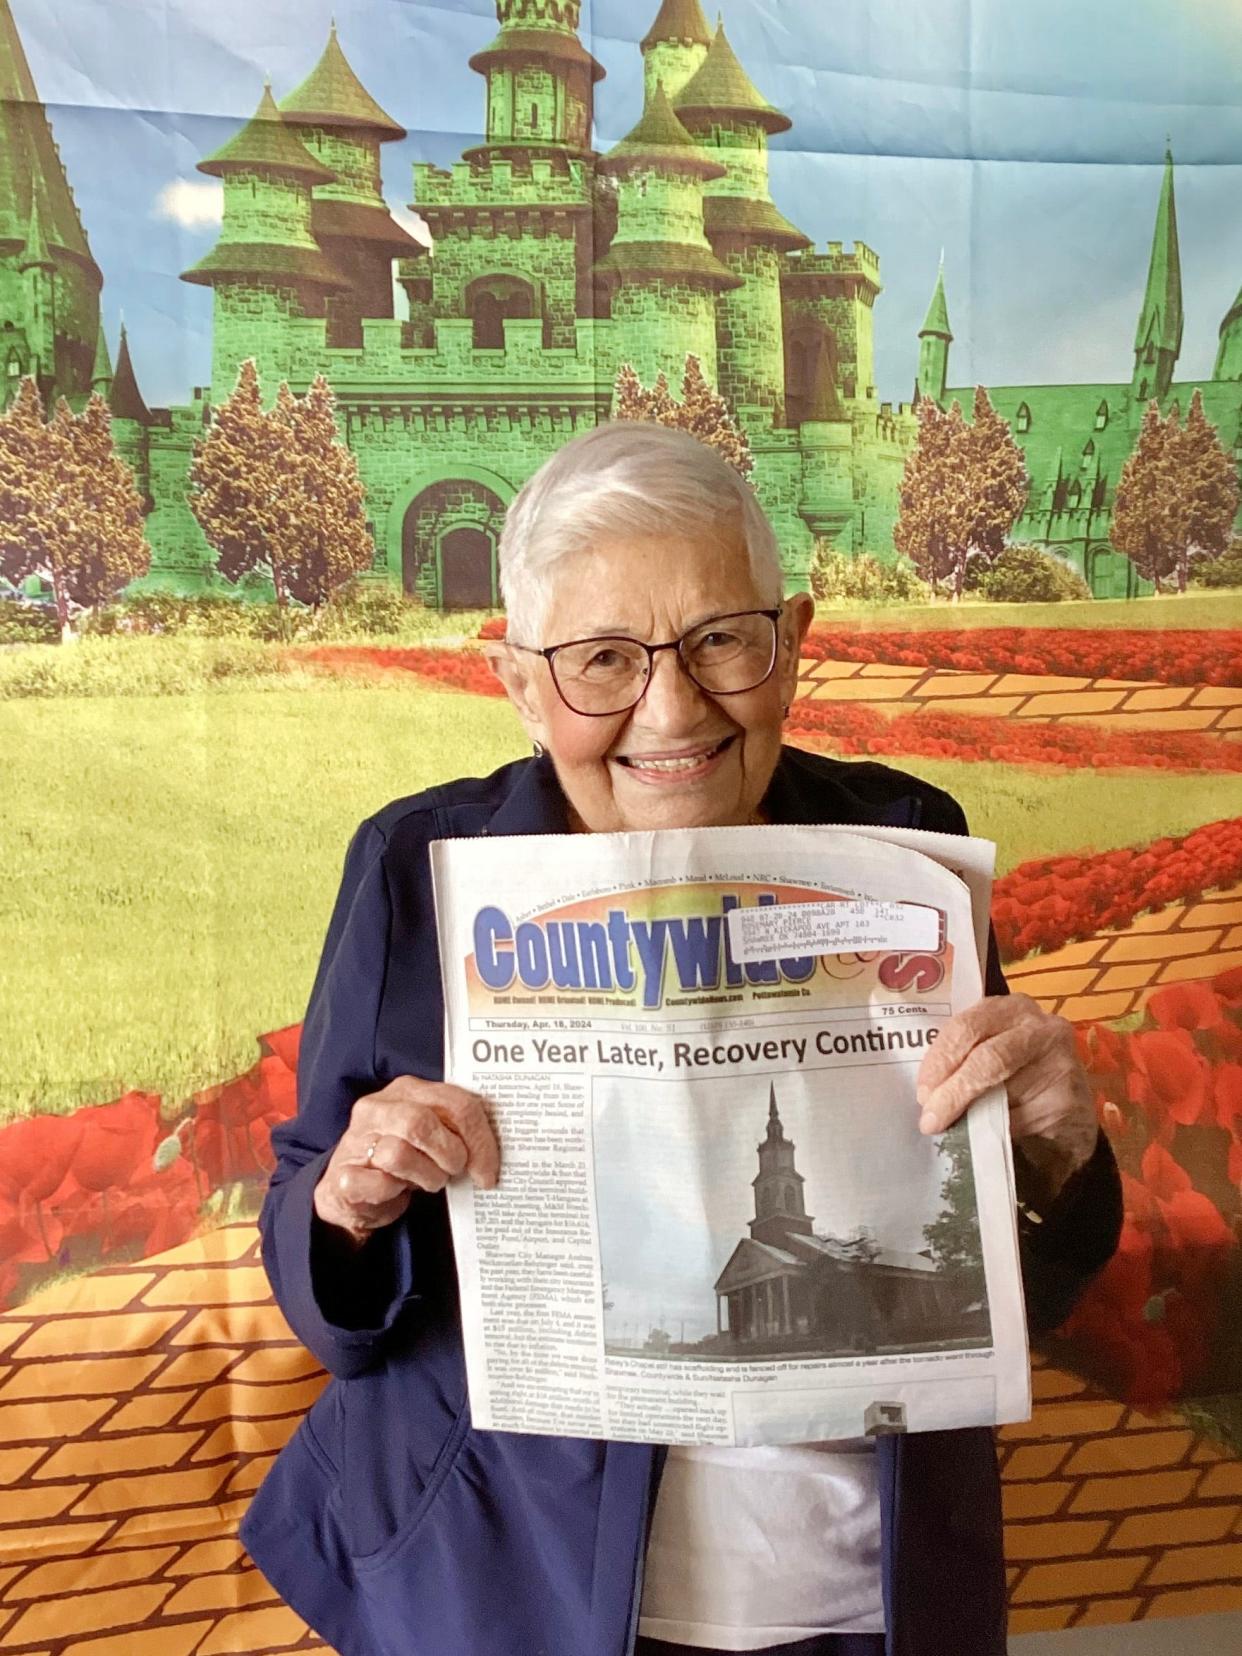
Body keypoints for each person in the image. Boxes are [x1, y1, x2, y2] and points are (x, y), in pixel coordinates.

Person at [241, 422, 1122, 1656]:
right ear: (519, 683)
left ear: (796, 641)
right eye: (604, 658)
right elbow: (319, 1281)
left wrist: (1059, 1152)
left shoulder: (904, 847)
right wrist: (349, 1204)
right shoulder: (415, 870)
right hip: (513, 1590)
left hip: (863, 1607)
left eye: (722, 640)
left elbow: (1023, 1276)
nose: (672, 708)